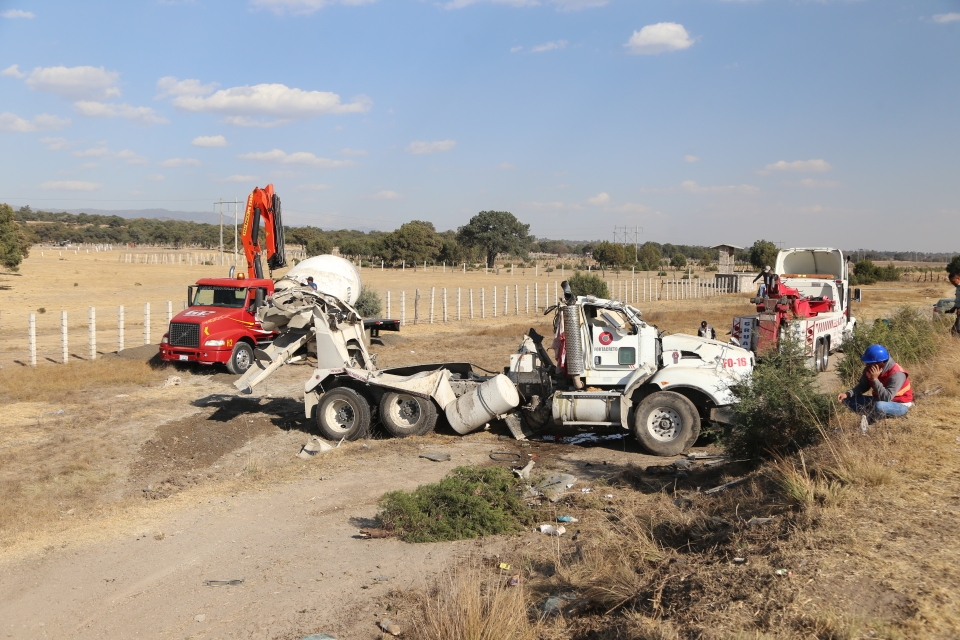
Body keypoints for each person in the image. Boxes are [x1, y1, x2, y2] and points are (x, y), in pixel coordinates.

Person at [837, 344, 912, 429]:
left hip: (899, 404)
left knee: (880, 406)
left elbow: (887, 398)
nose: (866, 366)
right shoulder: (870, 370)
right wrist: (847, 394)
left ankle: (871, 419)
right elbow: (863, 386)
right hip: (878, 400)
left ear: (880, 363)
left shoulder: (897, 374)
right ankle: (873, 414)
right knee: (846, 400)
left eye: (869, 364)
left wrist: (875, 380)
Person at [946, 270, 960, 337]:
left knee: (955, 331)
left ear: (958, 278)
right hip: (958, 312)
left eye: (953, 281)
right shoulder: (958, 288)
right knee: (955, 330)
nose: (952, 283)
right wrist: (954, 308)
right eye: (951, 282)